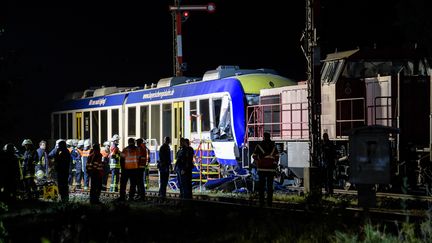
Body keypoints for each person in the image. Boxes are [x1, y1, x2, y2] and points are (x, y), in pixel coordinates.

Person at [252, 132, 279, 207]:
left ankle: (261, 202)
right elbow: (277, 157)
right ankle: (269, 203)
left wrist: (259, 162)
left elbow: (254, 156)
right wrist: (274, 164)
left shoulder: (259, 146)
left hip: (261, 169)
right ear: (269, 137)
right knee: (270, 187)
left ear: (263, 137)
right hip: (271, 170)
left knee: (261, 187)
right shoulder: (273, 146)